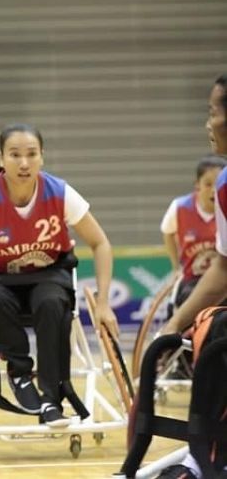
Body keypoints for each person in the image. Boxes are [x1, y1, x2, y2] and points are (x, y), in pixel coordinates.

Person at [0, 123, 119, 427]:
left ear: (42, 157)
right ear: (1, 159)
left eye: (31, 154)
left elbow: (100, 243)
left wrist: (103, 303)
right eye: (15, 155)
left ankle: (52, 399)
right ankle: (20, 374)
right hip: (1, 278)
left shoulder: (60, 192)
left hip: (49, 275)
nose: (23, 163)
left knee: (52, 303)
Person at [155, 75, 227, 479]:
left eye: (213, 113)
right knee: (212, 328)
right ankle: (207, 455)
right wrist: (174, 324)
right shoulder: (225, 186)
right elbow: (221, 270)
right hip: (201, 283)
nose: (207, 124)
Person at [160, 155, 227, 309]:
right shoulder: (180, 207)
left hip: (223, 280)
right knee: (189, 303)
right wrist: (176, 267)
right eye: (208, 184)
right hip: (192, 279)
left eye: (218, 184)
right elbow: (167, 232)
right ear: (197, 185)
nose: (213, 190)